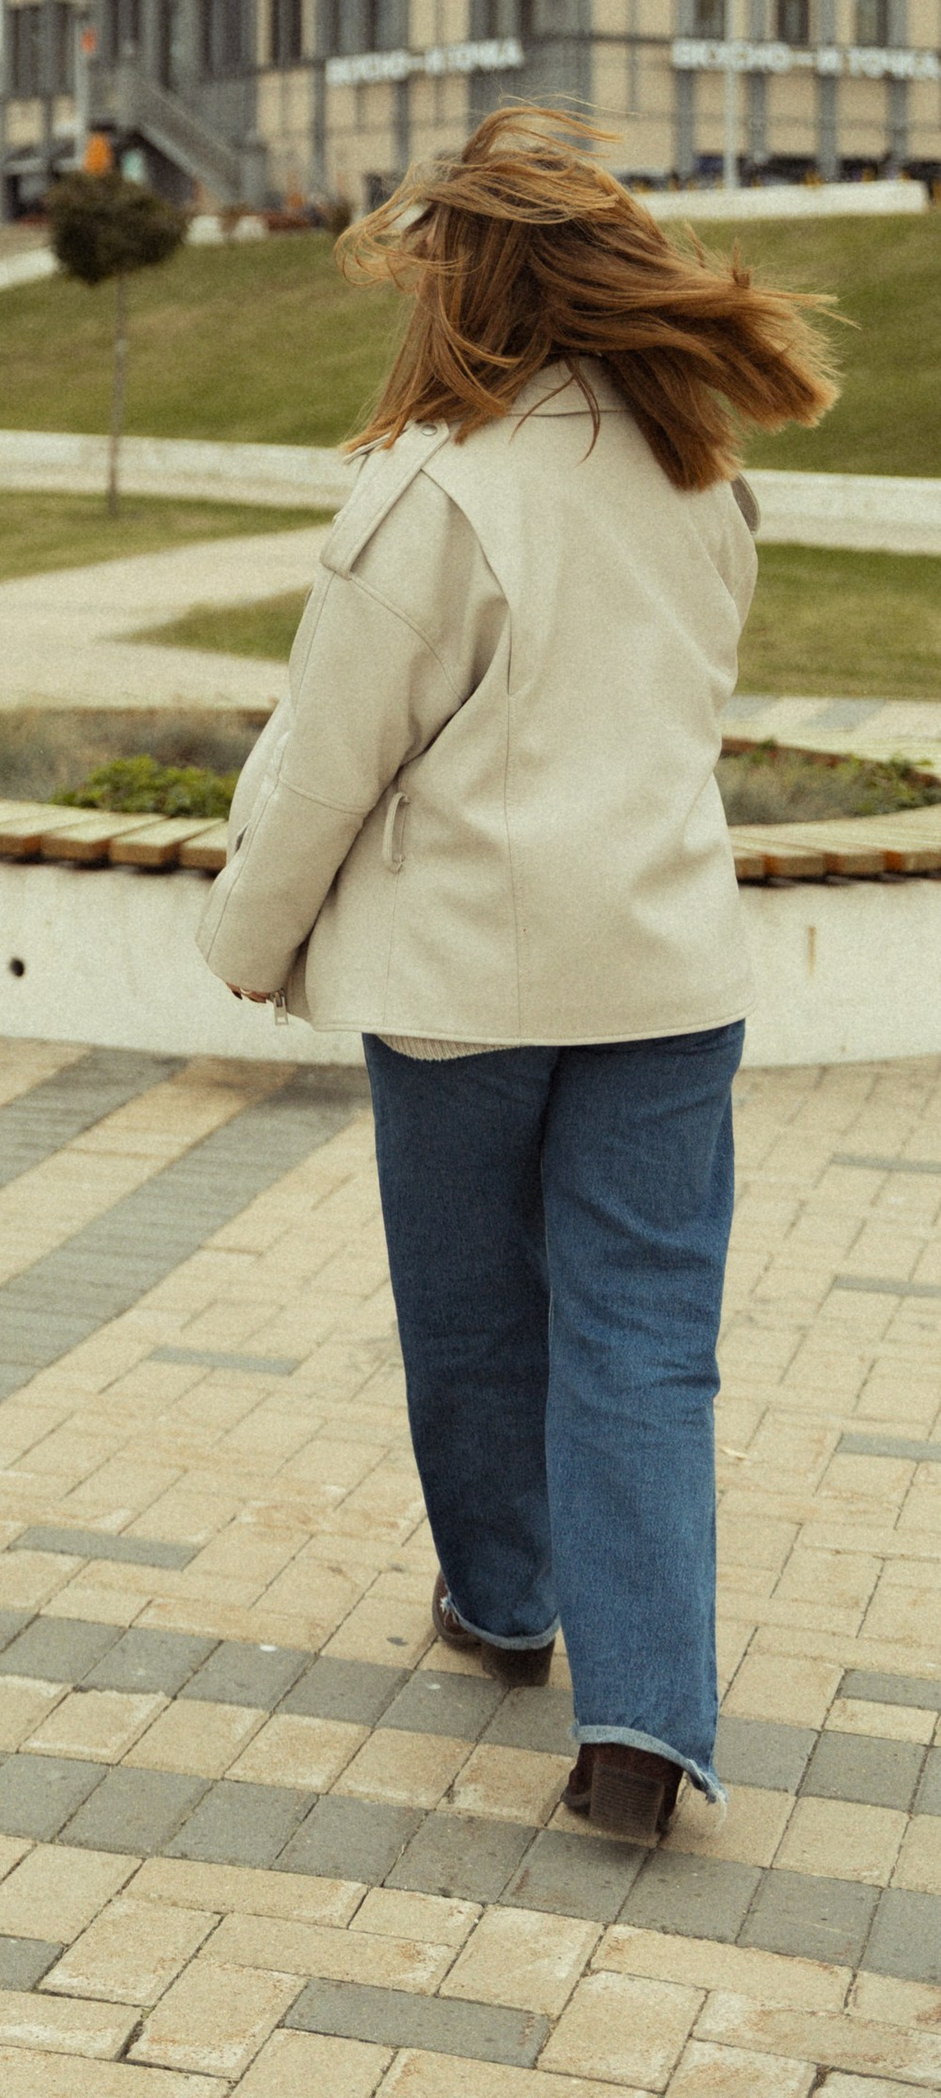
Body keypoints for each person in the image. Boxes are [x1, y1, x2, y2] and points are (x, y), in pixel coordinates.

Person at [196, 107, 837, 1843]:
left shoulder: (433, 490)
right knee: (645, 1341)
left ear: (465, 286)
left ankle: (501, 1606)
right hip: (662, 975)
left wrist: (249, 944)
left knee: (480, 1320)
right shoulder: (701, 475)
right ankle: (645, 1730)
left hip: (469, 982)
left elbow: (329, 758)